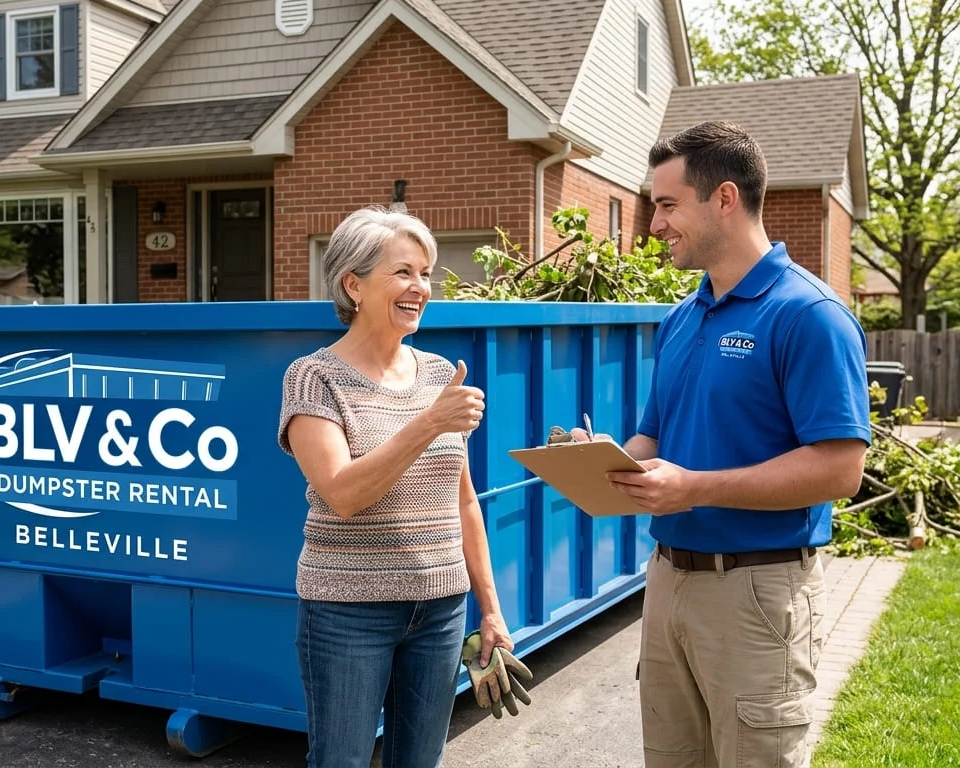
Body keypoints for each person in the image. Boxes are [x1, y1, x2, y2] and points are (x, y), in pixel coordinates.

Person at [570, 121, 871, 767]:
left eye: (668, 204)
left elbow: (840, 469)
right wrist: (600, 460)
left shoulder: (809, 315)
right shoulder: (683, 316)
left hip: (757, 593)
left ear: (725, 199)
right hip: (667, 581)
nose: (654, 224)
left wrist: (694, 488)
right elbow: (656, 435)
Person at [277, 206, 513, 768]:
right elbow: (342, 493)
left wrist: (491, 609)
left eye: (426, 273)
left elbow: (462, 500)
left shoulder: (438, 374)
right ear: (353, 285)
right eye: (404, 272)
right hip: (347, 613)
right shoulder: (314, 377)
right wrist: (430, 422)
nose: (420, 287)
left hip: (440, 609)